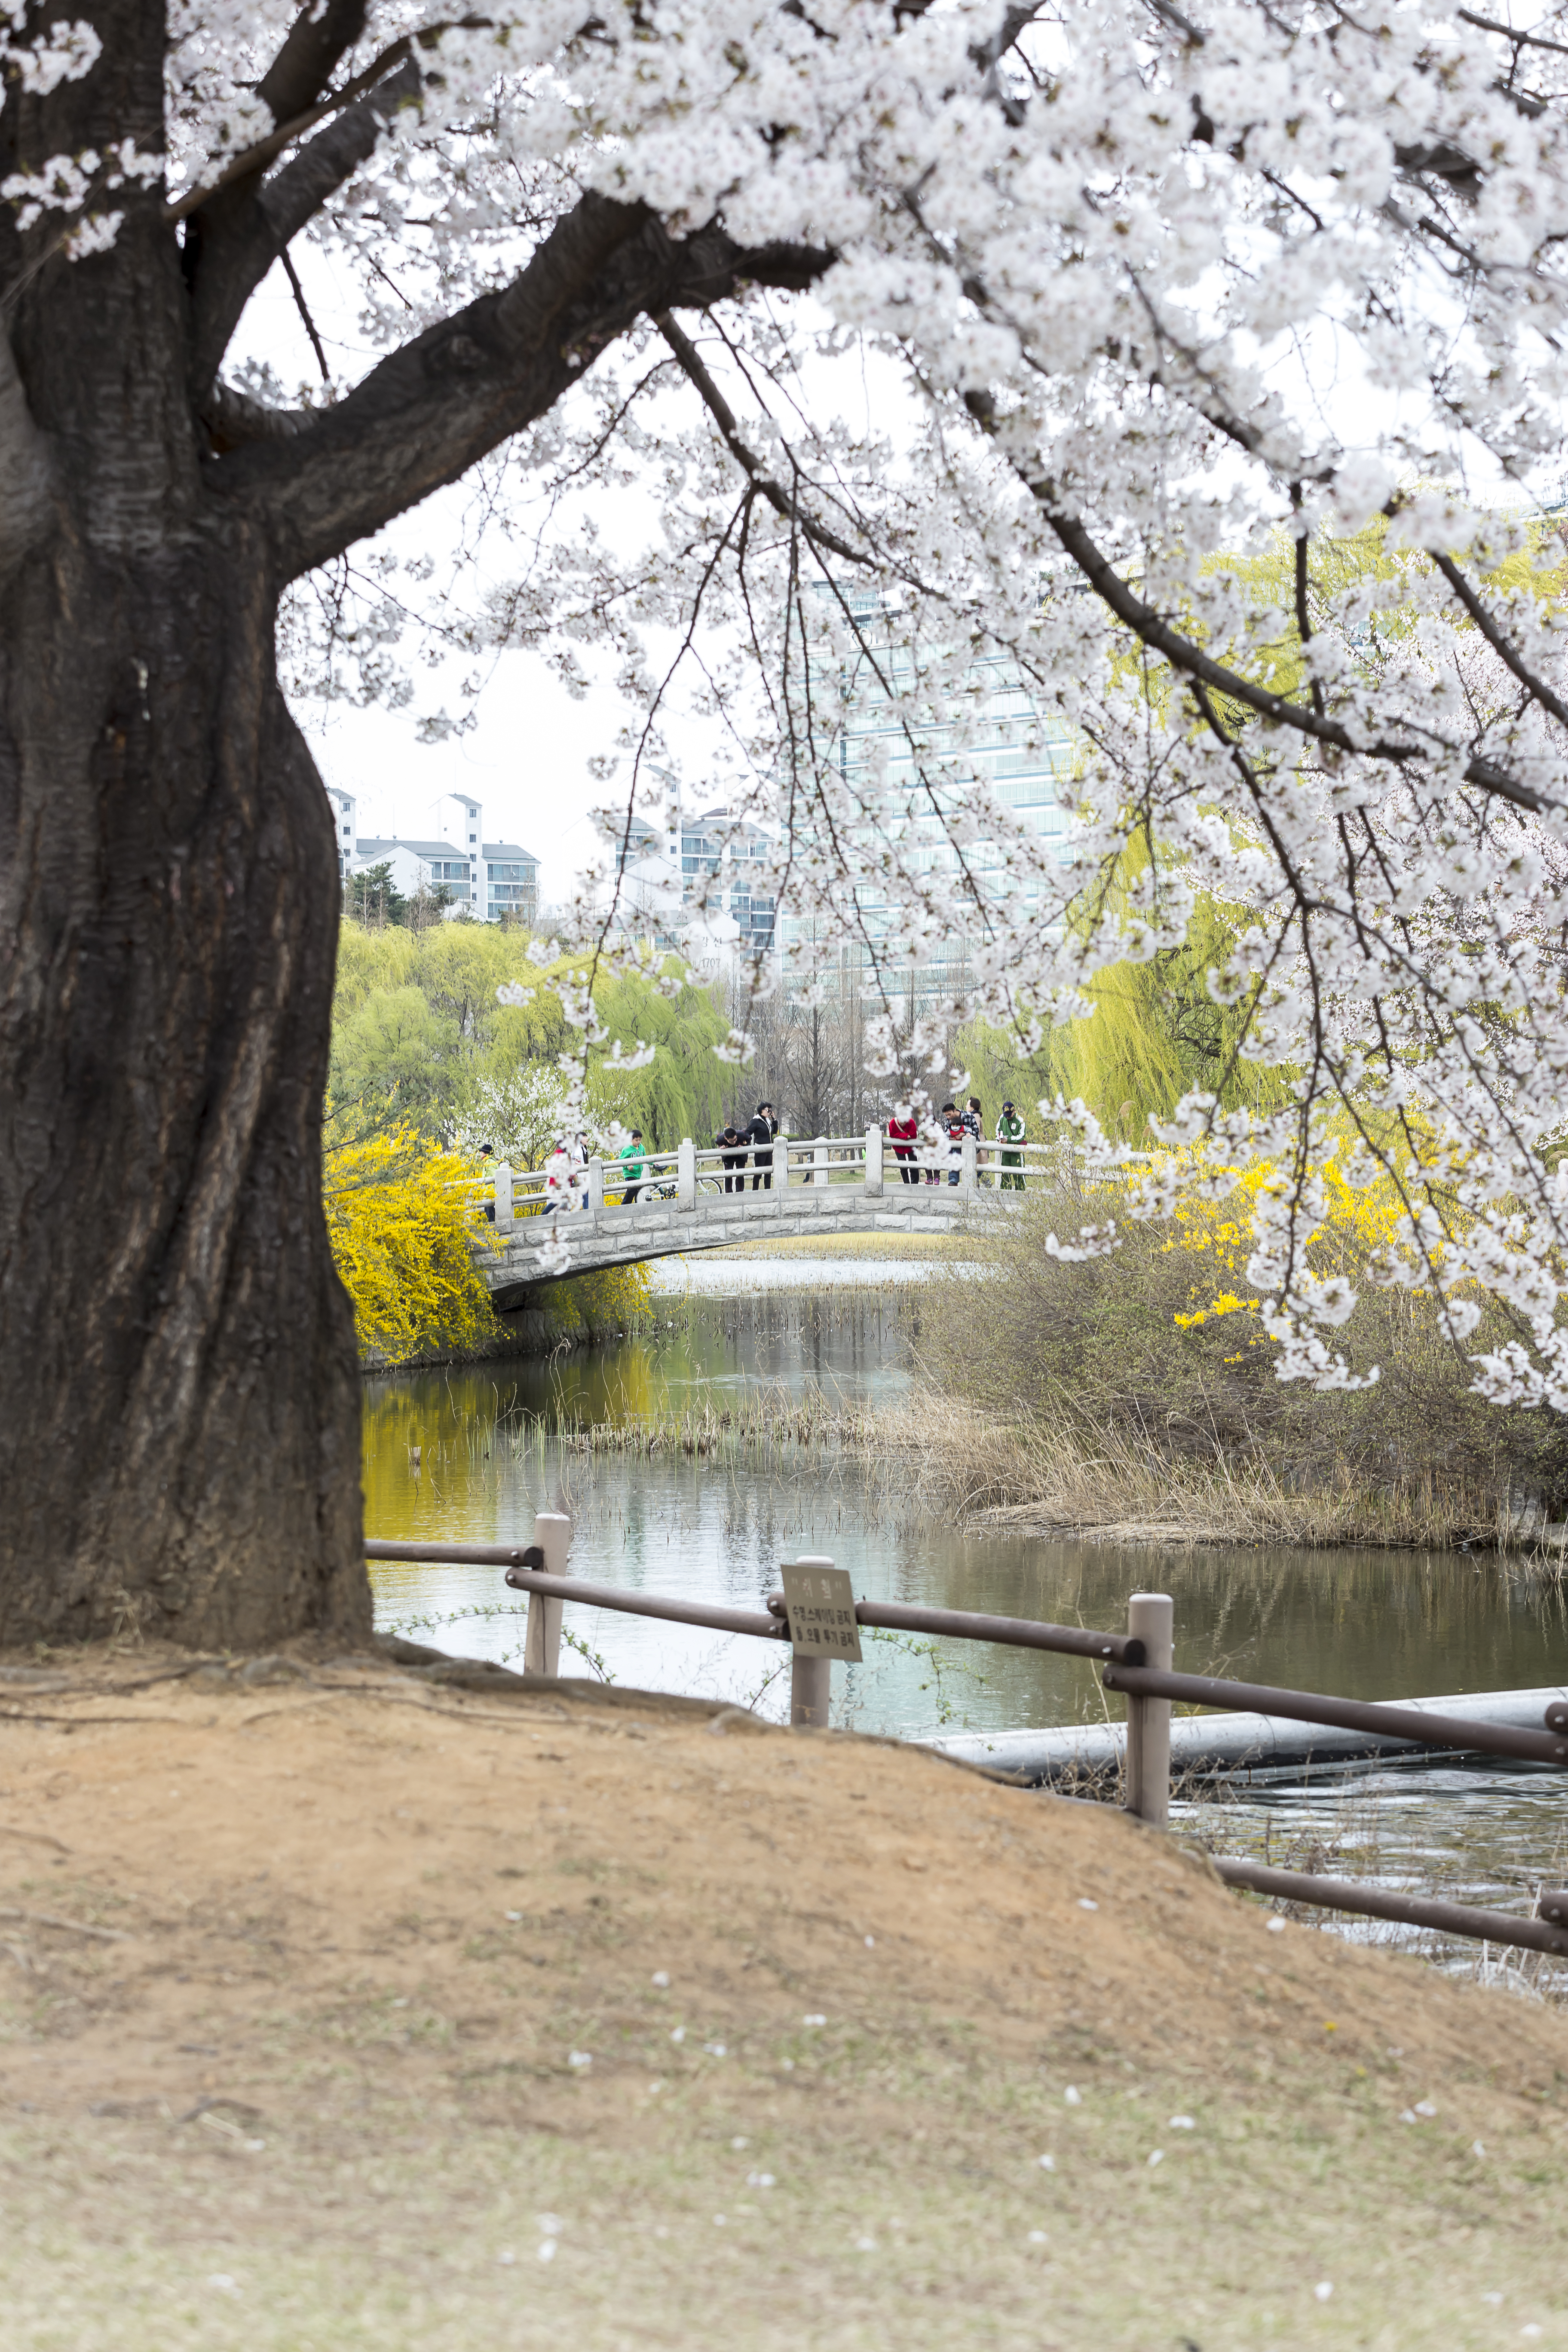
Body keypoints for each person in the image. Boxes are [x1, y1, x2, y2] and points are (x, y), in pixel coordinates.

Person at [747, 1101, 778, 1190]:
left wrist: (774, 1119)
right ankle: (755, 1191)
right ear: (762, 1110)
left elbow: (775, 1131)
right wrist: (747, 1143)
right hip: (760, 1150)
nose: (769, 1112)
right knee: (758, 1173)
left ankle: (767, 1191)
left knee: (768, 1173)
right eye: (768, 1110)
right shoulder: (756, 1121)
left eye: (770, 1111)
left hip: (769, 1150)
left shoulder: (768, 1121)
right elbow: (748, 1132)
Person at [996, 1099, 1026, 1190]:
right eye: (1007, 1115)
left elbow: (1021, 1137)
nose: (1008, 1117)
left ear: (1014, 1111)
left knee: (1018, 1175)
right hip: (1006, 1152)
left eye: (1010, 1115)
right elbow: (998, 1130)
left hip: (1016, 1153)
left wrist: (1008, 1140)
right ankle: (1005, 1193)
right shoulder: (1002, 1118)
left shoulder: (1020, 1121)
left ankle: (1021, 1194)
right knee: (1005, 1174)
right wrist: (1000, 1139)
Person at [887, 1103, 918, 1184]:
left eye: (905, 1122)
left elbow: (913, 1136)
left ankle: (915, 1184)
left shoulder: (911, 1122)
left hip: (911, 1147)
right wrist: (905, 1136)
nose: (903, 1124)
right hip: (898, 1148)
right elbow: (892, 1135)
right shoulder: (893, 1123)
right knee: (903, 1166)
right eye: (901, 1123)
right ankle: (906, 1184)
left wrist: (903, 1136)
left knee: (914, 1165)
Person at [617, 1128, 647, 1205]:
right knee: (631, 1189)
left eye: (640, 1140)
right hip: (629, 1173)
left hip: (638, 1173)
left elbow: (645, 1158)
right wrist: (628, 1166)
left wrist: (653, 1164)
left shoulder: (642, 1148)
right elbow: (621, 1161)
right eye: (636, 1140)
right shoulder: (627, 1149)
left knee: (636, 1190)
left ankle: (632, 1205)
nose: (639, 1142)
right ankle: (624, 1205)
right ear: (631, 1140)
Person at [715, 1122, 747, 1192]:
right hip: (728, 1157)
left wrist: (744, 1145)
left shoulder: (742, 1135)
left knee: (740, 1174)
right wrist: (722, 1146)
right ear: (726, 1138)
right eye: (731, 1141)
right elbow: (717, 1141)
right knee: (728, 1175)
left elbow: (749, 1139)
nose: (734, 1142)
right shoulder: (720, 1139)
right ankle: (728, 1193)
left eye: (735, 1139)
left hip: (740, 1156)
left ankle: (740, 1192)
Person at [941, 1099, 966, 1185]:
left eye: (949, 1114)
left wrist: (965, 1135)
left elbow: (974, 1131)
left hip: (966, 1146)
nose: (948, 1117)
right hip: (953, 1145)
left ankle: (971, 1180)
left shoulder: (968, 1117)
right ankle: (953, 1180)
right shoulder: (948, 1121)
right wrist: (949, 1139)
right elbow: (946, 1134)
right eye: (946, 1115)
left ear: (955, 1110)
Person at [477, 1140, 496, 1222]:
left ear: (486, 1153)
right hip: (487, 1193)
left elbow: (493, 1177)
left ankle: (493, 1232)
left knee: (490, 1214)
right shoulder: (488, 1162)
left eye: (482, 1152)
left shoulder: (490, 1163)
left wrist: (489, 1193)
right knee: (489, 1213)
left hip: (490, 1194)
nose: (481, 1153)